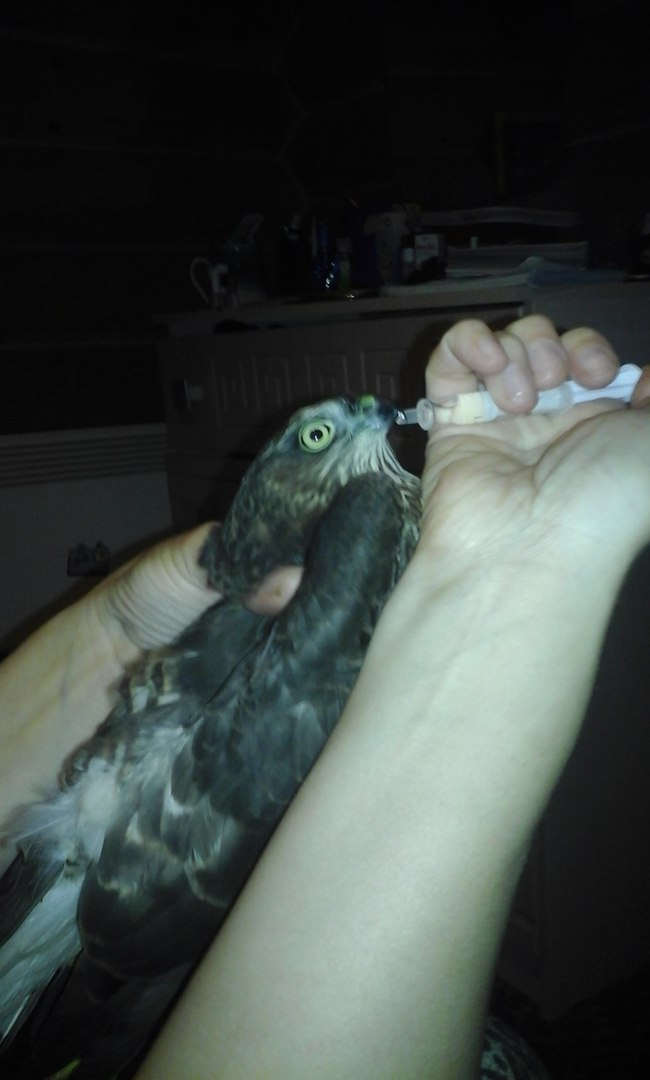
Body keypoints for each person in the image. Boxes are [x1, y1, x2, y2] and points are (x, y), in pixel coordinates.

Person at [1, 315, 649, 1078]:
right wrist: (514, 576)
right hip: (112, 898)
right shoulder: (350, 538)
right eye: (316, 437)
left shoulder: (302, 575)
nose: (374, 414)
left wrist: (113, 629)